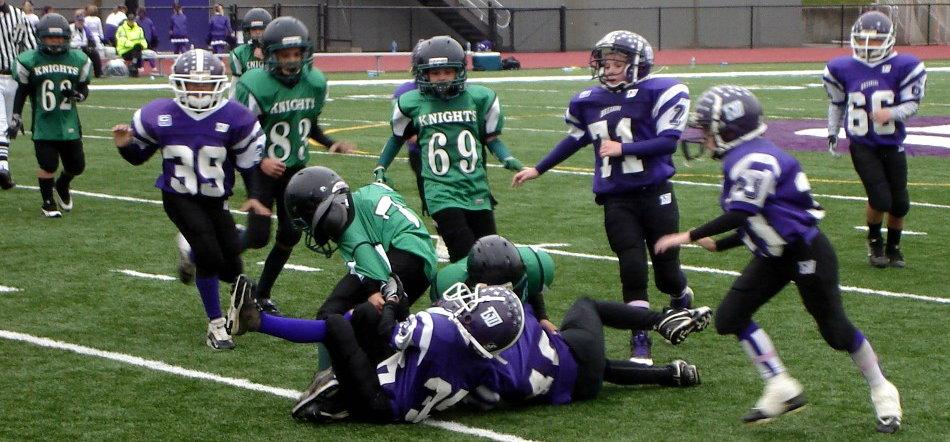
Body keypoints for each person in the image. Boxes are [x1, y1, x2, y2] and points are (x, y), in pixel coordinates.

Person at [655, 85, 902, 433]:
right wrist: (720, 245)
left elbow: (743, 212)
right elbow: (763, 218)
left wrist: (688, 235)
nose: (704, 137)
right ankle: (780, 385)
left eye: (709, 129)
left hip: (806, 251)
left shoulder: (755, 159)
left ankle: (882, 388)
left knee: (836, 331)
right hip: (774, 254)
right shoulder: (743, 156)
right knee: (730, 318)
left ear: (731, 129)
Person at [512, 30, 693, 365]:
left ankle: (681, 295)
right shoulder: (589, 100)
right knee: (631, 267)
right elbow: (575, 139)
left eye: (617, 63)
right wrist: (538, 168)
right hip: (616, 198)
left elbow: (668, 142)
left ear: (637, 65)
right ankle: (640, 338)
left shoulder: (661, 91)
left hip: (656, 193)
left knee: (667, 272)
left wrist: (623, 149)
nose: (608, 69)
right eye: (605, 63)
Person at [430, 234, 711, 404]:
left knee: (598, 367)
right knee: (586, 305)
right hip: (574, 354)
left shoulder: (474, 333)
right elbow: (528, 288)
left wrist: (541, 318)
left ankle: (670, 374)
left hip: (577, 388)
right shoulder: (510, 309)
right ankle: (662, 320)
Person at [112, 49, 269, 350]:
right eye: (192, 83)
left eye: (205, 84)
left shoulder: (236, 118)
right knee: (209, 255)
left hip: (215, 199)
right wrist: (124, 146)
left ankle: (189, 251)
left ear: (219, 85)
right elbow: (138, 157)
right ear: (178, 84)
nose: (199, 90)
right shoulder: (158, 114)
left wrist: (255, 196)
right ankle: (216, 325)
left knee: (231, 267)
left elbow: (249, 164)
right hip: (178, 196)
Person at [229, 281, 522, 423]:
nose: (468, 300)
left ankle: (257, 322)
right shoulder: (485, 360)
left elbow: (389, 334)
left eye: (475, 303)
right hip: (401, 393)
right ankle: (341, 397)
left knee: (336, 324)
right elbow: (493, 394)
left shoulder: (442, 329)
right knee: (366, 314)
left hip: (381, 402)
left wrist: (393, 301)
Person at [231, 16, 355, 313]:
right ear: (269, 55)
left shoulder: (314, 82)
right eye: (284, 54)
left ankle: (262, 294)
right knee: (258, 237)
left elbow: (307, 124)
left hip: (295, 170)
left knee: (290, 234)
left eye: (296, 54)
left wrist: (329, 142)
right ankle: (203, 252)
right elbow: (238, 135)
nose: (291, 60)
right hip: (262, 170)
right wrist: (262, 159)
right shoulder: (255, 84)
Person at [374, 35, 526, 263]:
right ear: (424, 74)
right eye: (435, 73)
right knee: (464, 253)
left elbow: (491, 138)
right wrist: (381, 166)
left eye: (447, 71)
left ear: (459, 71)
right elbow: (397, 138)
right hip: (439, 190)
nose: (442, 77)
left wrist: (507, 157)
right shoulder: (411, 102)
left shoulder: (479, 98)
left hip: (475, 187)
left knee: (490, 253)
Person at [823, 11, 926, 269]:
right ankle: (874, 242)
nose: (869, 46)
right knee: (880, 199)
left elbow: (912, 104)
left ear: (889, 40)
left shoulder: (906, 65)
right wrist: (833, 132)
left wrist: (891, 113)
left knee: (900, 204)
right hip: (863, 144)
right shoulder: (841, 68)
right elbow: (837, 103)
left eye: (876, 40)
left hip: (892, 142)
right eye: (863, 39)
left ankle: (894, 247)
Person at [279, 166, 437, 318]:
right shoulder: (369, 192)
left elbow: (366, 260)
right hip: (425, 257)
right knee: (364, 316)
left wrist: (372, 290)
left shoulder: (346, 223)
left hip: (403, 257)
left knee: (333, 314)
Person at [8, 13, 91, 217]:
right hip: (43, 123)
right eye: (50, 37)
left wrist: (78, 95)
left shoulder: (78, 59)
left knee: (77, 166)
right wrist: (16, 115)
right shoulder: (30, 60)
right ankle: (48, 204)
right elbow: (23, 91)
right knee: (48, 164)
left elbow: (83, 88)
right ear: (40, 38)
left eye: (59, 38)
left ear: (67, 38)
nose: (55, 41)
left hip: (69, 122)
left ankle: (62, 184)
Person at [0, 0, 38, 190]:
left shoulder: (18, 16)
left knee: (10, 123)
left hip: (13, 77)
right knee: (1, 123)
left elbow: (28, 46)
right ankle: (3, 167)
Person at [227, 7, 270, 78]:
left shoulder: (275, 51)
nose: (258, 32)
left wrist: (265, 59)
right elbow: (237, 81)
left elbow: (283, 76)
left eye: (261, 28)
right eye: (254, 29)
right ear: (248, 31)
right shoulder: (240, 53)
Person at [70, 12, 102, 78]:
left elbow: (92, 41)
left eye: (82, 21)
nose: (81, 23)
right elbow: (67, 42)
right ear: (75, 21)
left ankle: (98, 74)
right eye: (79, 21)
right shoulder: (70, 29)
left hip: (84, 48)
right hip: (72, 49)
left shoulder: (86, 29)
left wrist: (90, 47)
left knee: (94, 53)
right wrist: (78, 45)